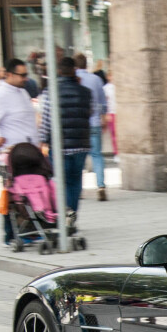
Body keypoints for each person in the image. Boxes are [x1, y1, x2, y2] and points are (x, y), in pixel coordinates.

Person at [0, 58, 40, 246]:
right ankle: (10, 235)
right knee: (13, 194)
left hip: (29, 153)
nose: (25, 78)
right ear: (9, 74)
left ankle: (30, 230)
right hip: (10, 155)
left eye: (26, 74)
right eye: (22, 75)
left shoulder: (23, 93)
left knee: (30, 193)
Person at [38, 55, 92, 215]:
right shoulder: (85, 92)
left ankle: (65, 214)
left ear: (59, 71)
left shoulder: (51, 91)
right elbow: (90, 113)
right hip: (81, 144)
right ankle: (72, 214)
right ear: (74, 70)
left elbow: (47, 118)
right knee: (75, 181)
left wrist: (42, 140)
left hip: (60, 145)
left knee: (61, 182)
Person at [73, 53, 108, 200]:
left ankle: (79, 190)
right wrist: (103, 115)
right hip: (94, 122)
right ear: (86, 64)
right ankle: (100, 186)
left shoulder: (73, 80)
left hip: (78, 124)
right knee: (97, 155)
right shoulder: (96, 79)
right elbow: (102, 101)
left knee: (79, 156)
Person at [101, 70, 117, 157]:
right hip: (111, 112)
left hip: (116, 112)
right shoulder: (106, 88)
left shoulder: (115, 87)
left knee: (116, 134)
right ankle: (116, 152)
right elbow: (105, 102)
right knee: (113, 134)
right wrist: (106, 114)